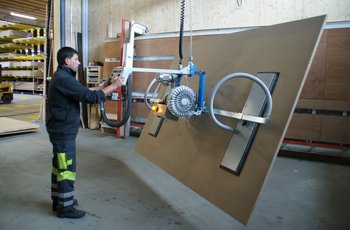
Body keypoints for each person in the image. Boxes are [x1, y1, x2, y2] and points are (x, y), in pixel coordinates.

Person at [46, 46, 123, 219]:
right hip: (63, 132)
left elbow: (85, 93)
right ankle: (65, 209)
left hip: (60, 130)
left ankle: (59, 201)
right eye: (76, 59)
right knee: (66, 169)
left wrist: (105, 86)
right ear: (67, 61)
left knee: (60, 166)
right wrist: (116, 86)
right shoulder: (63, 79)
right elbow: (91, 98)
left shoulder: (63, 77)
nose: (79, 62)